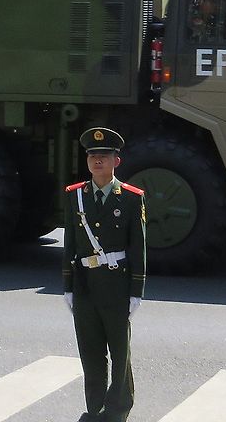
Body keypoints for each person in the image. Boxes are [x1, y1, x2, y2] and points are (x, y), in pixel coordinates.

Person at [62, 127, 146, 422]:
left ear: (116, 161)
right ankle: (95, 407)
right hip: (85, 284)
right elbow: (70, 242)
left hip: (117, 283)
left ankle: (118, 409)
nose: (98, 161)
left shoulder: (132, 198)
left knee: (120, 352)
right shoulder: (76, 196)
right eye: (93, 156)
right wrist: (67, 286)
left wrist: (137, 290)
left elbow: (138, 246)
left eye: (104, 156)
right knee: (91, 351)